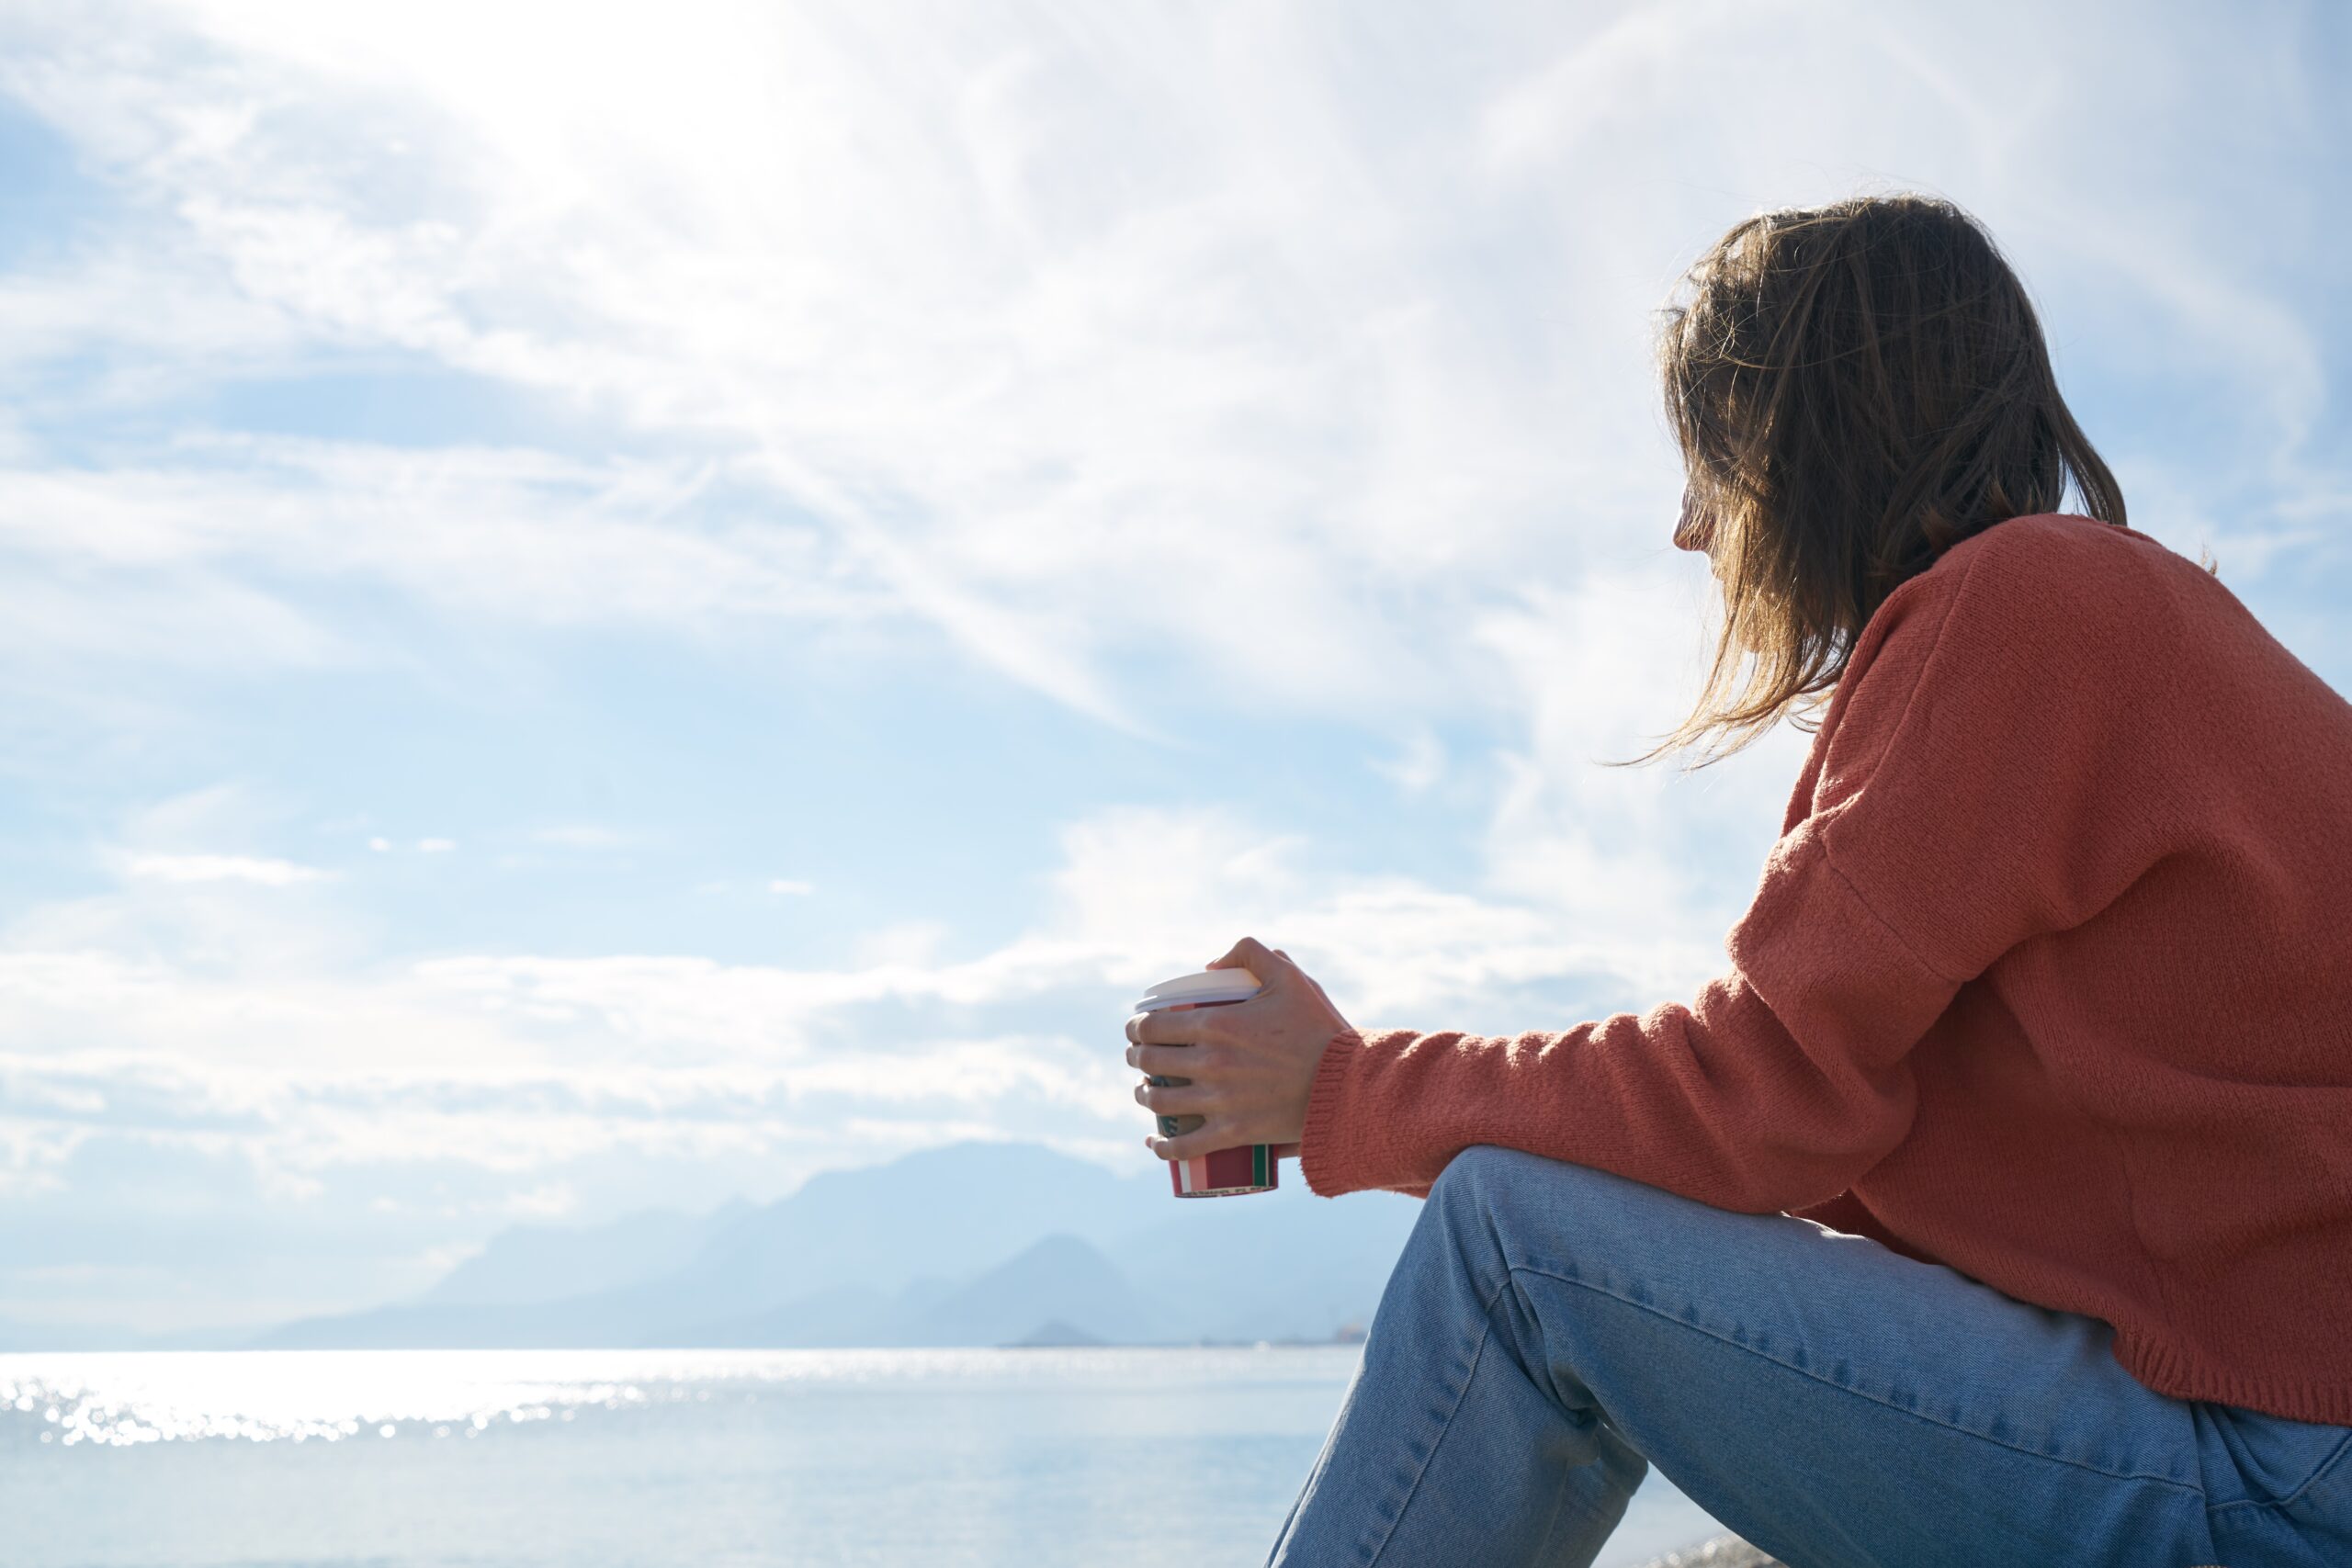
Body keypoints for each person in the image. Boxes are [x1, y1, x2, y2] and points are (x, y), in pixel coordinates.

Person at [1123, 195, 2352, 1568]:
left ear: (1801, 440)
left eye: (1711, 462)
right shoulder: (2121, 617)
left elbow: (1764, 1095)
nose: (1692, 531)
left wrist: (1342, 1094)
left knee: (1510, 1243)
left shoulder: (2017, 608)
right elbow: (1822, 1119)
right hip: (2291, 1427)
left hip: (2284, 1472)